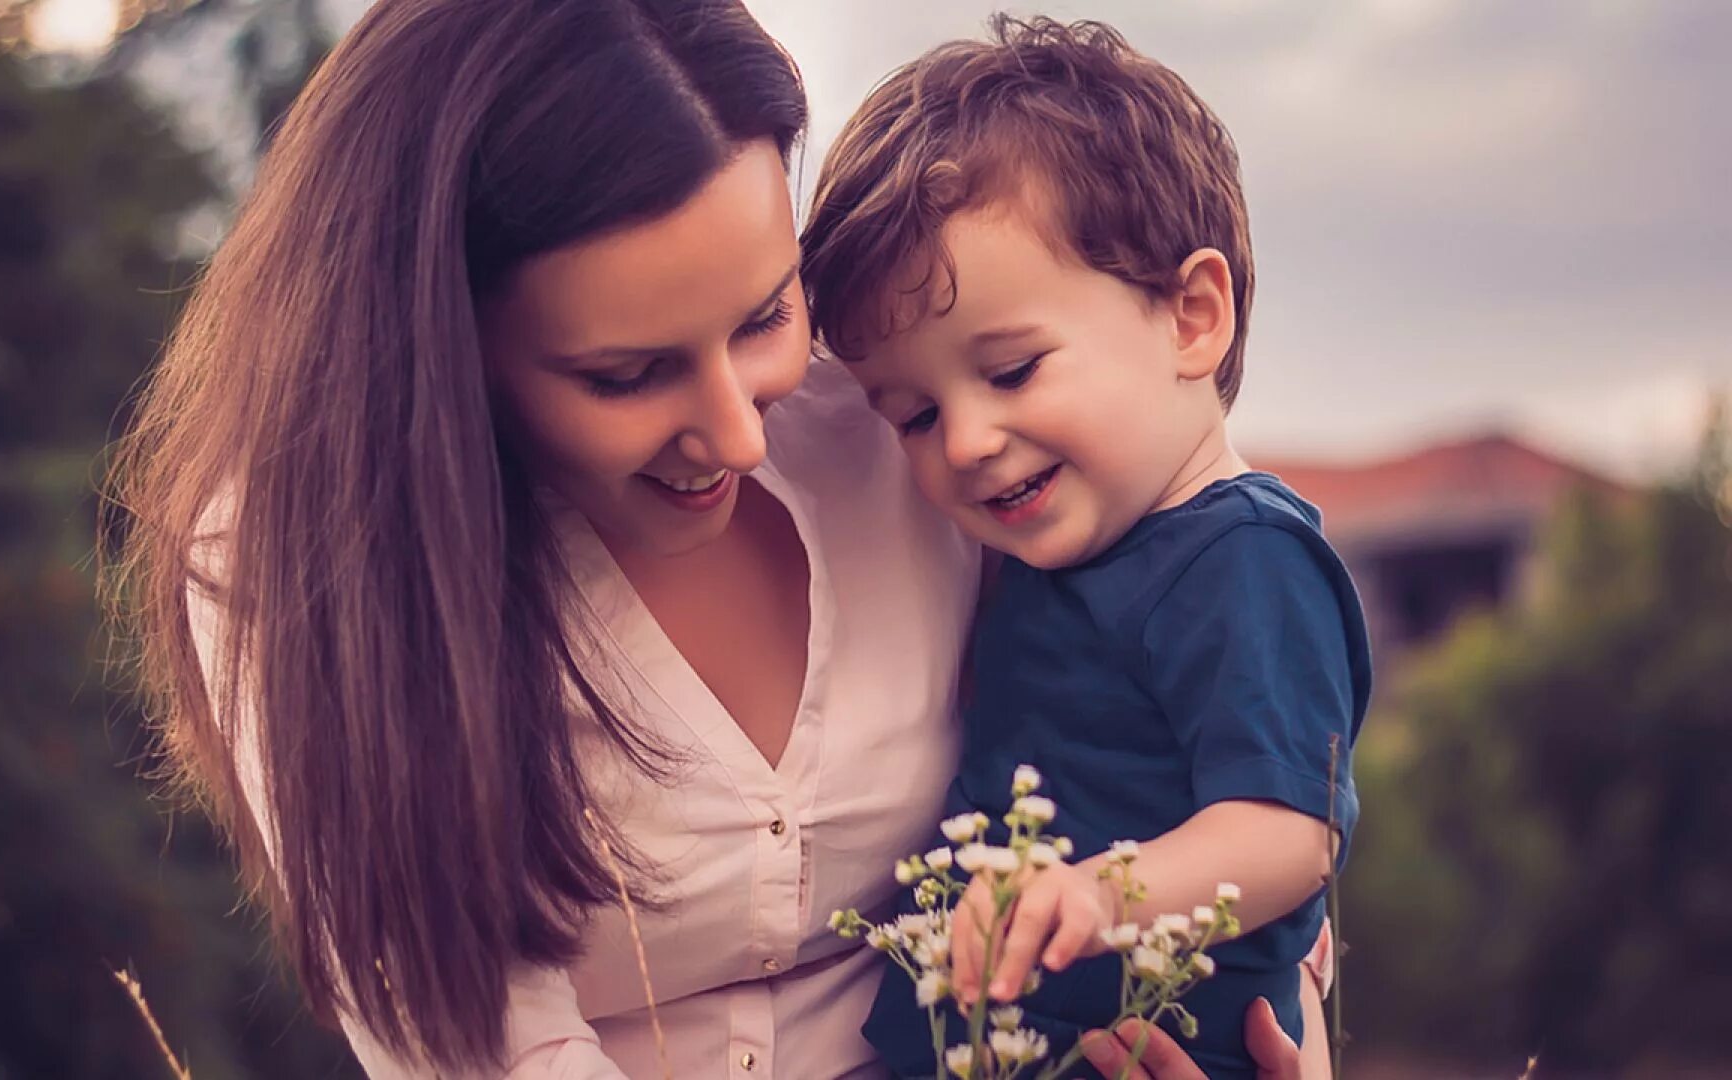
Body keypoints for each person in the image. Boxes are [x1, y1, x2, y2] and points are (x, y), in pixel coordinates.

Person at [106, 0, 1333, 1075]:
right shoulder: (298, 573)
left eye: (766, 317)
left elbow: (1216, 749)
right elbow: (485, 1046)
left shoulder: (911, 415)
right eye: (627, 372)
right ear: (443, 354)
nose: (743, 434)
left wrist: (1284, 1030)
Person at [800, 17, 1369, 1079]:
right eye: (914, 415)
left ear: (1192, 318)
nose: (966, 441)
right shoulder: (1058, 552)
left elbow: (1291, 830)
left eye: (1012, 371)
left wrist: (1102, 893)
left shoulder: (1244, 560)